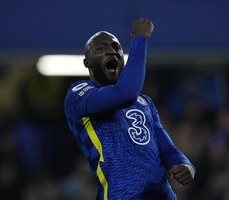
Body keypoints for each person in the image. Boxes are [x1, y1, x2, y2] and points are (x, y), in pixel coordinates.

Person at [64, 18, 195, 200]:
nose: (111, 51)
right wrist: (140, 38)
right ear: (87, 63)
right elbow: (125, 94)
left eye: (116, 48)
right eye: (101, 49)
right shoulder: (79, 94)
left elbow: (167, 149)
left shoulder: (144, 102)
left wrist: (184, 165)